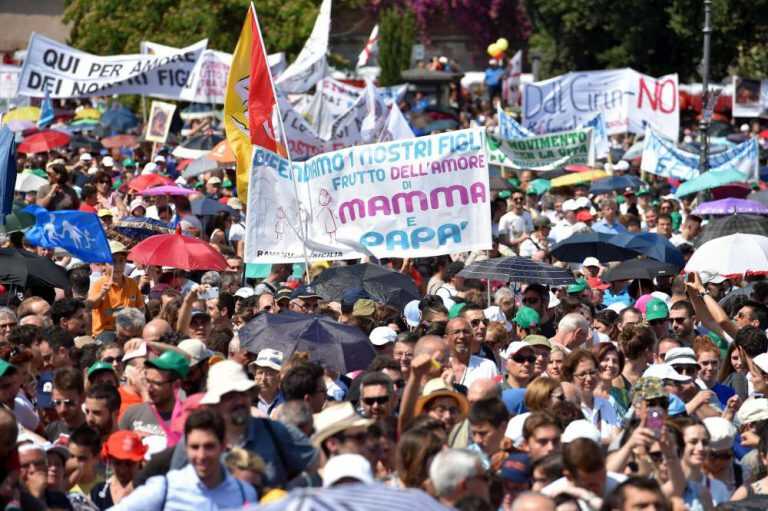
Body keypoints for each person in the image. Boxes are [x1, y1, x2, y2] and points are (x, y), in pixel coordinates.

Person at [171, 360, 317, 489]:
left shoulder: (276, 431)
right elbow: (174, 489)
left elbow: (319, 465)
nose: (239, 401)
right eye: (229, 396)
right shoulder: (195, 442)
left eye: (243, 394)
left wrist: (287, 493)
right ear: (213, 405)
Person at [111, 409, 257, 510]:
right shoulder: (164, 488)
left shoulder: (245, 493)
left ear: (223, 445)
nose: (201, 455)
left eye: (209, 446)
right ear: (185, 448)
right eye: (194, 447)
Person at [118, 351, 189, 452]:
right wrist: (131, 440)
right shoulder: (132, 413)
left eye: (156, 383)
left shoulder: (189, 419)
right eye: (147, 381)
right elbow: (116, 450)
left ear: (176, 385)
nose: (149, 388)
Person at [90, 431, 146, 509]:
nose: (123, 470)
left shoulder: (149, 492)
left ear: (140, 461)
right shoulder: (97, 493)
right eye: (117, 463)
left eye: (129, 464)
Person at [250, 348, 285, 416]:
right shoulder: (248, 401)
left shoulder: (287, 402)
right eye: (260, 373)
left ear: (279, 377)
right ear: (255, 375)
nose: (263, 379)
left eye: (269, 374)